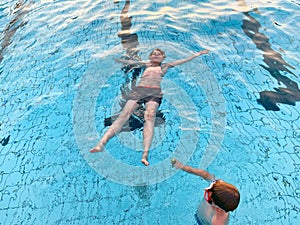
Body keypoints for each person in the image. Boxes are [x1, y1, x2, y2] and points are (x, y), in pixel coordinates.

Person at [90, 48, 210, 166]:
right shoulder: (146, 64)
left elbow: (183, 61)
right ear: (150, 57)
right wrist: (117, 60)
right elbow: (132, 63)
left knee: (150, 116)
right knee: (123, 115)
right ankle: (101, 143)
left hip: (154, 93)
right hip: (139, 91)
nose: (156, 55)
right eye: (154, 54)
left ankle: (145, 154)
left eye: (159, 54)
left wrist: (198, 54)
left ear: (163, 57)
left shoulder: (165, 66)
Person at [172, 159, 240, 225]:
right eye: (210, 188)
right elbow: (204, 174)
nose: (206, 190)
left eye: (208, 198)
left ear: (218, 208)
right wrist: (183, 167)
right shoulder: (218, 185)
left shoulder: (217, 222)